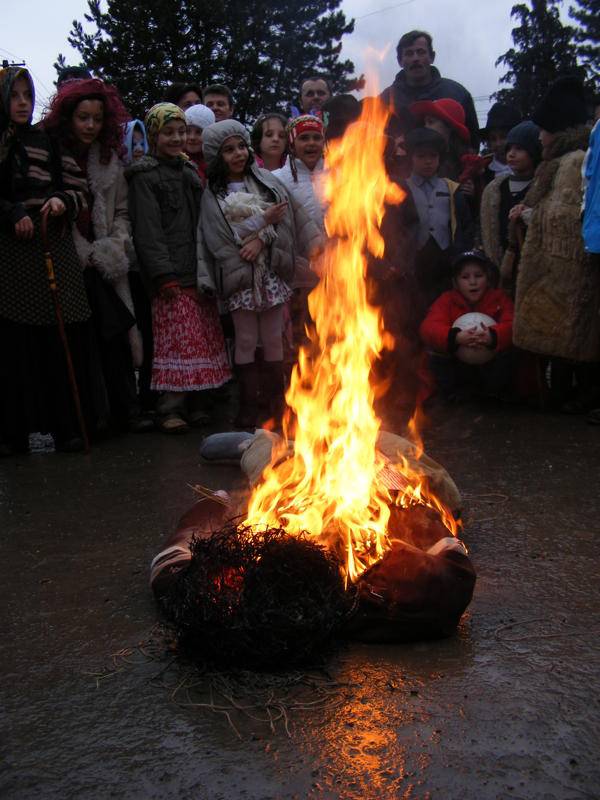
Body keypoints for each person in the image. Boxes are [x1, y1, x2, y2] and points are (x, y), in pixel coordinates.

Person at [43, 78, 151, 435]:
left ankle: (124, 410)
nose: (90, 125)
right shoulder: (53, 156)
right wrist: (79, 250)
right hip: (66, 259)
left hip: (106, 259)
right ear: (68, 118)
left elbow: (121, 210)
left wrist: (115, 244)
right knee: (79, 342)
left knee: (115, 336)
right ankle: (89, 417)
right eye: (83, 118)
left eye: (97, 118)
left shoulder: (109, 161)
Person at [198, 120, 322, 429]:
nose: (238, 154)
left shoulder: (266, 181)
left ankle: (276, 403)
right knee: (246, 339)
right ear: (216, 156)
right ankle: (249, 405)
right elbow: (220, 235)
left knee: (273, 339)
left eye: (241, 146)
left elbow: (289, 215)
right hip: (241, 276)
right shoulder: (213, 194)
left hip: (270, 272)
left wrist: (268, 237)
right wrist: (260, 224)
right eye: (228, 150)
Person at [0, 67, 96, 454]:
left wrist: (62, 201)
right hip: (10, 254)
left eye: (27, 95)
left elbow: (80, 191)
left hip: (53, 247)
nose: (22, 103)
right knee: (14, 347)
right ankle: (11, 433)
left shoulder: (51, 142)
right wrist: (12, 213)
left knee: (63, 340)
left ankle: (68, 427)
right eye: (14, 96)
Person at [127, 103, 231, 433]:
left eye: (181, 131)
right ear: (155, 135)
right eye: (168, 132)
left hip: (196, 269)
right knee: (176, 343)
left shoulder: (188, 172)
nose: (176, 138)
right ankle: (171, 406)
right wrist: (162, 274)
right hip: (170, 273)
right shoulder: (145, 177)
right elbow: (148, 231)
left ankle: (200, 402)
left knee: (201, 339)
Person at [510, 76, 599, 413]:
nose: (539, 136)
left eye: (544, 130)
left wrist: (533, 216)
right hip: (553, 268)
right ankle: (559, 392)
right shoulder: (555, 163)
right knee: (557, 332)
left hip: (569, 266)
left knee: (574, 330)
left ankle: (580, 394)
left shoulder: (576, 162)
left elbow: (569, 213)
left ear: (557, 130)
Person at [419, 250, 514, 402]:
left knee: (510, 353)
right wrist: (454, 337)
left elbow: (512, 325)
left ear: (488, 279)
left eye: (478, 276)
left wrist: (493, 336)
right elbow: (428, 328)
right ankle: (452, 394)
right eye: (465, 277)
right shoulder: (447, 300)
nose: (472, 282)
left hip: (490, 368)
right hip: (459, 368)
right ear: (455, 282)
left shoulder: (499, 299)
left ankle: (496, 395)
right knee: (435, 354)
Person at [405, 127, 474, 313]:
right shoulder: (401, 189)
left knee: (443, 306)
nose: (428, 161)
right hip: (415, 260)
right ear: (411, 158)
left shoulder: (452, 188)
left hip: (444, 258)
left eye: (433, 156)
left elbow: (465, 225)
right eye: (421, 156)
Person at [380, 30, 479, 148]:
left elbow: (471, 143)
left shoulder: (457, 94)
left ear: (432, 57)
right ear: (400, 61)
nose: (415, 58)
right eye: (409, 53)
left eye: (421, 52)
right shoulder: (385, 100)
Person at [481, 121, 541, 292]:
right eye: (509, 149)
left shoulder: (542, 187)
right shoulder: (495, 189)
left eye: (519, 149)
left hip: (532, 268)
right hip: (502, 268)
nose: (511, 154)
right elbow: (487, 229)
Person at [409, 97, 472, 182]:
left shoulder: (466, 164)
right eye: (425, 123)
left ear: (449, 126)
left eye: (431, 122)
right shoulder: (412, 153)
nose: (425, 127)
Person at [479, 102, 521, 184]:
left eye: (503, 137)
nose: (498, 144)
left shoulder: (529, 166)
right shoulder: (482, 171)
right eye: (493, 139)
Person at [183, 103, 215, 185]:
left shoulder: (215, 164)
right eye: (187, 131)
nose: (192, 137)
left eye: (199, 132)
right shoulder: (174, 160)